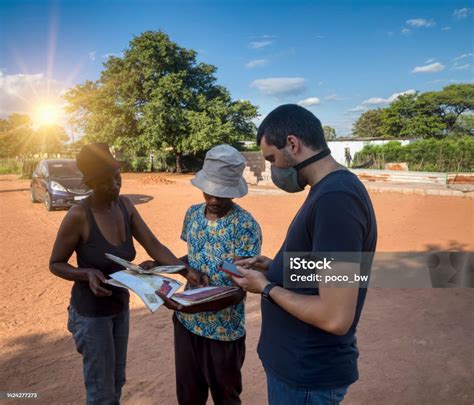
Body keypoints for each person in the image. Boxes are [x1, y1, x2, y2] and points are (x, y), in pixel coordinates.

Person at [232, 105, 378, 405]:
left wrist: (266, 287)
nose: (273, 168)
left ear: (293, 144)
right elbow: (324, 274)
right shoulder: (327, 190)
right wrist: (274, 267)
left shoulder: (336, 199)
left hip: (308, 374)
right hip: (297, 368)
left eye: (272, 158)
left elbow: (335, 316)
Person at [49, 143, 205, 405]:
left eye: (117, 177)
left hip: (119, 308)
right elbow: (56, 263)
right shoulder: (79, 216)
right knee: (101, 391)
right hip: (91, 315)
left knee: (117, 380)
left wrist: (184, 270)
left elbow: (153, 245)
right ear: (89, 182)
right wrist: (86, 273)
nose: (114, 185)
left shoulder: (125, 207)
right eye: (105, 181)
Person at [156, 144, 262, 405]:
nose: (214, 200)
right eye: (209, 192)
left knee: (226, 398)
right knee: (189, 396)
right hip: (186, 326)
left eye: (222, 194)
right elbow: (192, 258)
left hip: (223, 332)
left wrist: (196, 306)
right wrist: (162, 266)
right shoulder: (192, 214)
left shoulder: (245, 226)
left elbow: (239, 291)